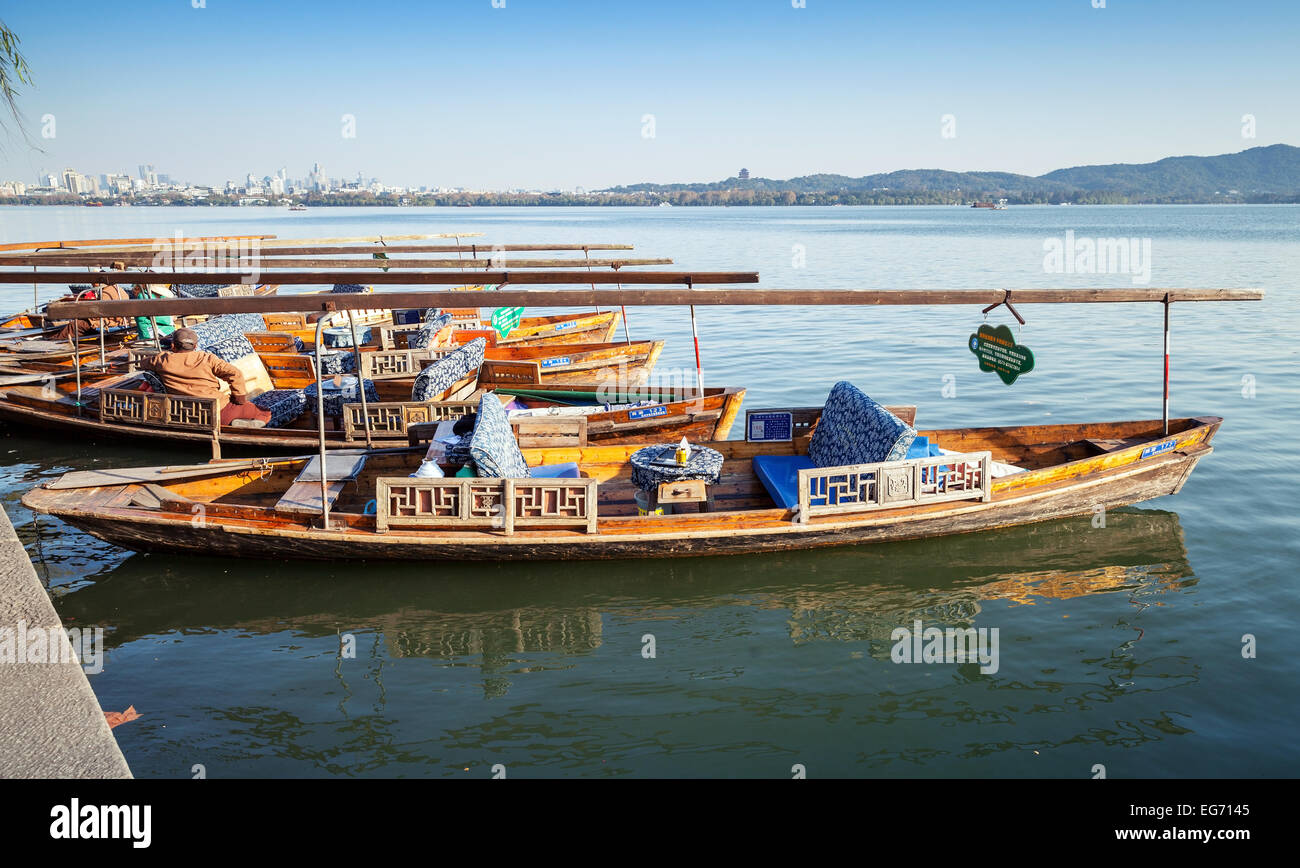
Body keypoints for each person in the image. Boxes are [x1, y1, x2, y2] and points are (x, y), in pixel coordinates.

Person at [135, 327, 271, 428]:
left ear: (172, 345)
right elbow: (235, 374)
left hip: (186, 411)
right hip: (219, 410)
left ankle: (237, 423)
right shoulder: (206, 358)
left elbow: (142, 363)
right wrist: (239, 399)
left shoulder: (162, 360)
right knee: (265, 413)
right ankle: (239, 423)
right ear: (196, 346)